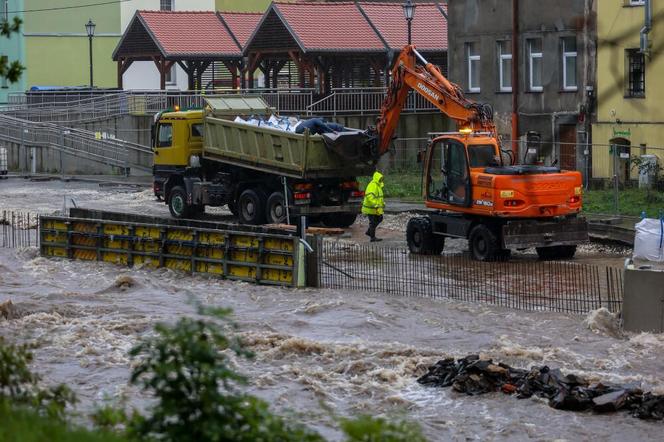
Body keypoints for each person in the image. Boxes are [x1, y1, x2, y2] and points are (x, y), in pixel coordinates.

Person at [362, 171, 385, 242]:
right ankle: (372, 237)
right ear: (377, 178)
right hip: (371, 208)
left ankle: (369, 232)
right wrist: (375, 204)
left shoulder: (378, 186)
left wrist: (382, 204)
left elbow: (379, 197)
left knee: (379, 218)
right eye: (380, 178)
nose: (381, 180)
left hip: (376, 208)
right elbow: (370, 196)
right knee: (373, 222)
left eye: (381, 179)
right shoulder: (373, 185)